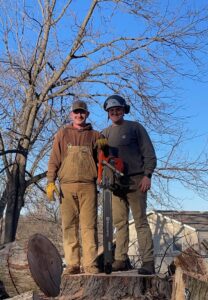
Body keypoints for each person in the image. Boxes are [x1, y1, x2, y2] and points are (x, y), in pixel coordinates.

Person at [46, 100, 104, 275]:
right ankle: (72, 264)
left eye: (82, 113)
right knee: (69, 226)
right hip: (67, 186)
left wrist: (105, 150)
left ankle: (90, 264)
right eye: (76, 112)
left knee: (89, 227)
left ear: (87, 115)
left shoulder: (95, 135)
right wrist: (50, 181)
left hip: (88, 186)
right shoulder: (62, 134)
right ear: (71, 114)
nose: (79, 115)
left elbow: (103, 161)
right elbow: (54, 159)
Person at [102, 94, 157, 275]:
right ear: (108, 114)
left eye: (117, 109)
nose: (115, 113)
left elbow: (149, 153)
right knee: (120, 223)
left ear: (124, 110)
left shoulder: (135, 128)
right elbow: (100, 159)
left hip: (136, 180)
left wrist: (147, 175)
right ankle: (121, 259)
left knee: (140, 222)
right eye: (111, 111)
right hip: (116, 185)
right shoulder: (105, 134)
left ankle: (148, 261)